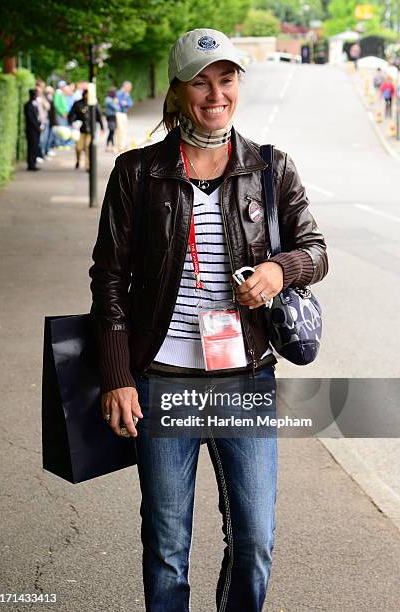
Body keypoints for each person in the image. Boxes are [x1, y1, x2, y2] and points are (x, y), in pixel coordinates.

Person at [89, 28, 328, 611]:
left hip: (244, 380)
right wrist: (118, 376)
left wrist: (280, 268)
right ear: (178, 92)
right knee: (167, 544)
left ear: (237, 85)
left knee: (255, 539)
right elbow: (110, 281)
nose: (215, 93)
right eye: (201, 81)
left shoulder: (270, 168)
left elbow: (317, 251)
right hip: (162, 381)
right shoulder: (137, 173)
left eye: (225, 79)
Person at [68, 89, 104, 171]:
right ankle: (78, 160)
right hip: (80, 130)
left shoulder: (94, 104)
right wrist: (73, 122)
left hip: (90, 130)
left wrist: (102, 127)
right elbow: (71, 115)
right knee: (79, 148)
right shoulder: (78, 104)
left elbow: (99, 116)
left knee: (88, 147)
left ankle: (87, 166)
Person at [24, 88, 41, 171]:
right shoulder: (28, 105)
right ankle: (31, 164)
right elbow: (31, 119)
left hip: (35, 129)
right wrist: (37, 127)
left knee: (35, 146)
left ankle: (33, 163)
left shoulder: (34, 105)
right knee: (31, 147)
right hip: (31, 130)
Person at [115, 80, 133, 151]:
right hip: (119, 113)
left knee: (124, 130)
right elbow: (118, 103)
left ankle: (122, 145)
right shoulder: (119, 93)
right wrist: (123, 103)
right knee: (120, 130)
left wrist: (126, 103)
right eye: (129, 87)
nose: (130, 89)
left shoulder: (127, 94)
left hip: (124, 113)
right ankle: (120, 146)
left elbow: (130, 103)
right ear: (125, 86)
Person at [104, 87, 120, 151]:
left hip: (112, 116)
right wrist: (116, 103)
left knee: (112, 131)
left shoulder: (109, 99)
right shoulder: (109, 100)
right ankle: (109, 145)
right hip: (110, 117)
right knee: (111, 131)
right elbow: (116, 108)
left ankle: (111, 145)